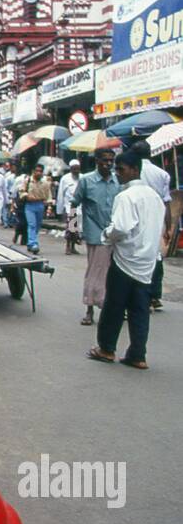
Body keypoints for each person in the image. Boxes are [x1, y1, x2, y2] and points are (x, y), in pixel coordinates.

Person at [88, 147, 165, 369]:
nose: (117, 173)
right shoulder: (155, 197)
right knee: (140, 310)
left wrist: (106, 235)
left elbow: (120, 227)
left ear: (134, 169)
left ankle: (106, 348)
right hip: (147, 261)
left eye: (120, 169)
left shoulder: (126, 196)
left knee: (114, 306)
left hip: (125, 260)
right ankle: (138, 354)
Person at [70, 147, 121, 326]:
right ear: (97, 161)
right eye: (105, 160)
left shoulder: (117, 181)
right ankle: (90, 309)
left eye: (111, 161)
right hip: (96, 234)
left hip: (115, 233)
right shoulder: (86, 181)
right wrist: (72, 229)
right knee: (96, 272)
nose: (108, 164)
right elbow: (74, 204)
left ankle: (111, 308)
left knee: (113, 273)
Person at [132, 139, 172, 311]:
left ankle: (142, 295)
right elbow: (167, 202)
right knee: (155, 256)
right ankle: (154, 295)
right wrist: (168, 227)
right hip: (156, 219)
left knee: (136, 256)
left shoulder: (131, 171)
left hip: (135, 218)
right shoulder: (162, 174)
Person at [22, 163, 52, 255]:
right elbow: (21, 192)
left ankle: (30, 243)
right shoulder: (27, 181)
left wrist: (49, 207)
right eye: (37, 171)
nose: (39, 173)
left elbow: (48, 196)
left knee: (37, 225)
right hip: (29, 205)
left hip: (40, 205)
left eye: (41, 171)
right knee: (32, 224)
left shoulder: (45, 183)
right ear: (33, 171)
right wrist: (26, 196)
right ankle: (33, 243)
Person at [56, 159, 83, 254]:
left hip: (81, 209)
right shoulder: (65, 179)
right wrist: (59, 210)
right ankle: (68, 246)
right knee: (71, 228)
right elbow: (60, 194)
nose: (76, 171)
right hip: (70, 208)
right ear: (71, 169)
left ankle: (73, 247)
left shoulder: (83, 178)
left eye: (78, 169)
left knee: (77, 229)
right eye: (74, 169)